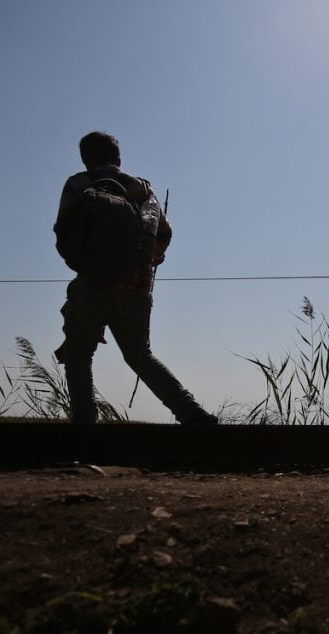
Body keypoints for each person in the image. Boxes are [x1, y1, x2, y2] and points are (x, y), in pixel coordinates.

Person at [53, 131, 217, 424]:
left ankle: (84, 425)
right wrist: (150, 259)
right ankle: (190, 412)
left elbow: (63, 230)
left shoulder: (78, 183)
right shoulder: (141, 188)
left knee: (79, 354)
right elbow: (164, 232)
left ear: (85, 159)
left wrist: (83, 262)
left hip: (92, 281)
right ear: (118, 157)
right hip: (137, 284)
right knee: (140, 354)